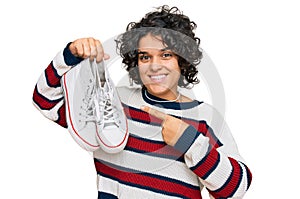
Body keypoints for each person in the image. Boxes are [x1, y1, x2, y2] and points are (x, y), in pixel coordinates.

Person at [33, 5, 252, 199]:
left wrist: (189, 141)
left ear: (182, 60)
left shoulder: (205, 117)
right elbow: (45, 101)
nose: (154, 66)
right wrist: (69, 56)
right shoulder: (111, 101)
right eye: (145, 57)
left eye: (166, 55)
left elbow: (236, 188)